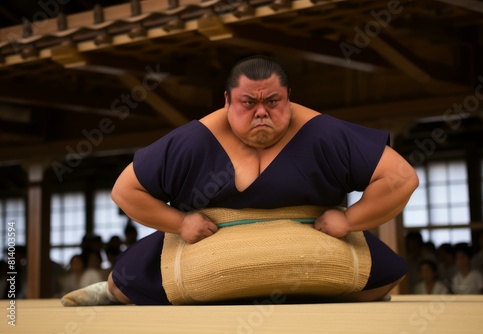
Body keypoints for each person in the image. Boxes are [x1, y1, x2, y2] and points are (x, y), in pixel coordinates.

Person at [61, 55, 419, 306]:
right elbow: (125, 190)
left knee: (385, 276)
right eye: (248, 102)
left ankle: (305, 290)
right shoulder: (194, 140)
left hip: (313, 242)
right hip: (205, 245)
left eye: (273, 102)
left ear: (290, 99)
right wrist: (180, 222)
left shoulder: (323, 133)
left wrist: (350, 219)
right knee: (125, 286)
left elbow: (401, 178)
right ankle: (109, 293)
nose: (261, 112)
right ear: (227, 101)